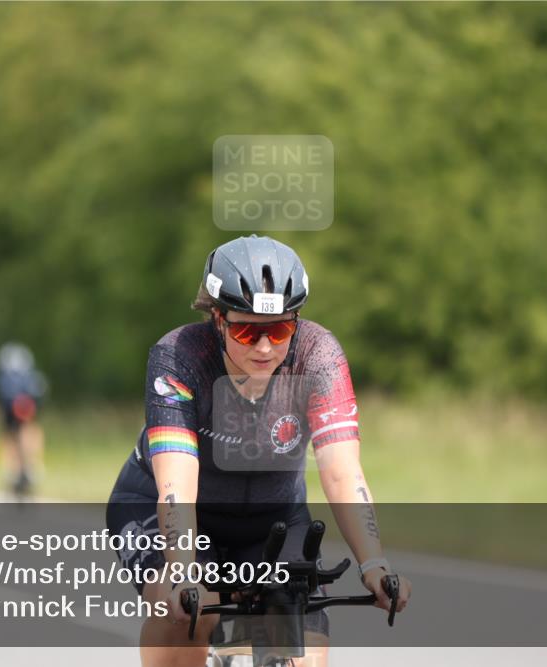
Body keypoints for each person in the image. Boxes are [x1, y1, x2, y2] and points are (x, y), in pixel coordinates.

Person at [106, 235, 409, 667]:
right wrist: (180, 572)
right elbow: (178, 485)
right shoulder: (180, 356)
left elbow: (342, 472)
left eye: (280, 330)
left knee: (304, 651)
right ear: (217, 318)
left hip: (273, 520)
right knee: (186, 613)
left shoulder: (318, 357)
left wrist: (374, 565)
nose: (264, 348)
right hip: (174, 509)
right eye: (247, 331)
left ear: (297, 321)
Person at [0, 342, 47, 499]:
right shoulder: (31, 377)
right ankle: (28, 467)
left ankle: (18, 468)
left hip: (16, 412)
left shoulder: (4, 378)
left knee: (14, 434)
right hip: (23, 411)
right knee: (28, 431)